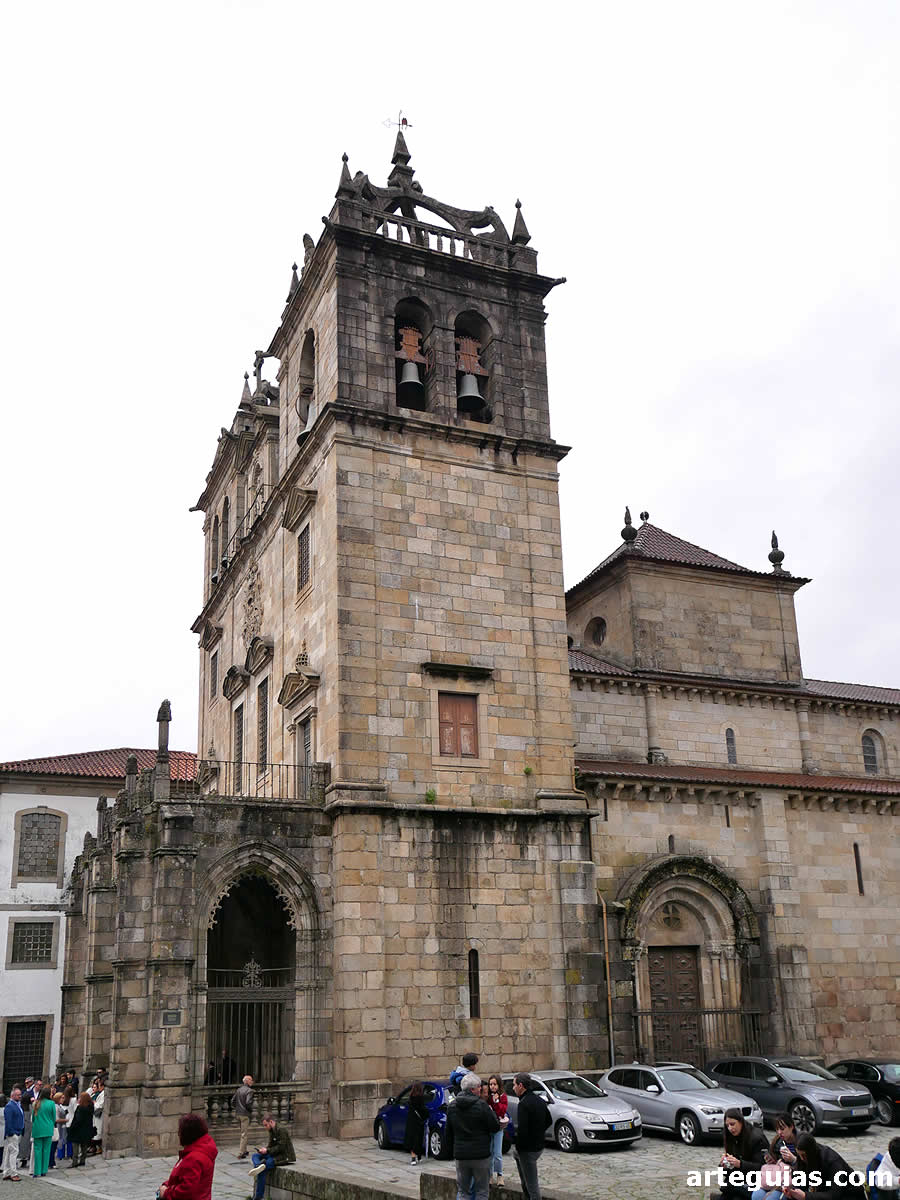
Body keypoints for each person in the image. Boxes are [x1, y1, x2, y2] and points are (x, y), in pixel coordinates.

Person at [447, 1073, 503, 1200]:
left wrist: (452, 1152)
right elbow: (494, 1127)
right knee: (482, 1192)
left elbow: (448, 1133)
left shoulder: (452, 1106)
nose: (481, 1089)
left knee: (463, 1192)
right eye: (479, 1087)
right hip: (480, 1155)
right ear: (472, 1089)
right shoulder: (482, 1105)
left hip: (461, 1155)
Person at [782, 1133, 866, 1200]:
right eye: (799, 1155)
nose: (802, 1158)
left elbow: (834, 1195)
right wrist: (792, 1192)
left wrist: (805, 1196)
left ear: (810, 1152)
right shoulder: (803, 1157)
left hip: (848, 1195)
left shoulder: (832, 1161)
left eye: (803, 1155)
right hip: (822, 1192)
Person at [158, 1114, 218, 1200]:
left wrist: (166, 1193)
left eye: (180, 1131)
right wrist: (166, 1185)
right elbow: (183, 1178)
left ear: (187, 1134)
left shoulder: (194, 1158)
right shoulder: (201, 1150)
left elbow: (186, 1190)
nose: (178, 1134)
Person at [512, 1074, 551, 1200]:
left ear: (521, 1086)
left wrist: (519, 1146)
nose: (513, 1088)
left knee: (532, 1186)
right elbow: (548, 1120)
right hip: (538, 1146)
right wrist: (538, 1133)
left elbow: (523, 1130)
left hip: (528, 1149)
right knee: (526, 1180)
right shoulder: (539, 1100)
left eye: (514, 1085)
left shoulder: (523, 1104)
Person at [718, 1108, 769, 1200]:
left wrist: (740, 1164)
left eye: (732, 1124)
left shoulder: (756, 1138)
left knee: (730, 1190)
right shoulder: (730, 1137)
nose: (730, 1128)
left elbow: (762, 1167)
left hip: (756, 1182)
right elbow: (727, 1172)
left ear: (741, 1121)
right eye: (727, 1125)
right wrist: (724, 1166)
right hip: (738, 1179)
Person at [247, 1113, 296, 1200]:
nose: (265, 1127)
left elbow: (281, 1147)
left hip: (283, 1156)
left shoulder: (281, 1130)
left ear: (271, 1122)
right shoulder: (271, 1130)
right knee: (255, 1155)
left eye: (266, 1125)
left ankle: (258, 1197)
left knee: (263, 1169)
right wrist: (264, 1150)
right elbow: (271, 1145)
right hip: (273, 1153)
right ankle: (258, 1165)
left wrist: (268, 1150)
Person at [487, 1075, 508, 1188]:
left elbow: (502, 1111)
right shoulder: (488, 1097)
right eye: (491, 1084)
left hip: (498, 1127)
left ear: (499, 1085)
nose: (492, 1086)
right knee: (489, 1152)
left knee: (497, 1153)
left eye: (494, 1084)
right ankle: (490, 1175)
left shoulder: (503, 1096)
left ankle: (500, 1175)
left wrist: (496, 1102)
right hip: (489, 1127)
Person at [30, 1087, 56, 1177]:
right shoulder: (51, 1103)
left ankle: (36, 1171)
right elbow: (54, 1118)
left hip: (37, 1129)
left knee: (37, 1151)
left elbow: (33, 1118)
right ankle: (44, 1170)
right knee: (46, 1150)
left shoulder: (36, 1103)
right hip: (48, 1129)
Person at [403, 1082, 429, 1166]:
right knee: (418, 1139)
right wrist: (426, 1116)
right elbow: (423, 1109)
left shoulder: (410, 1098)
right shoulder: (421, 1098)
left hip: (411, 1121)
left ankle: (413, 1158)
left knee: (412, 1139)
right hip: (418, 1121)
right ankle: (419, 1157)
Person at [2, 1086, 24, 1181]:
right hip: (13, 1133)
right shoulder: (10, 1106)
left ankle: (6, 1172)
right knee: (14, 1153)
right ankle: (13, 1173)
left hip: (16, 1132)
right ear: (12, 1095)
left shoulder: (17, 1104)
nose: (20, 1096)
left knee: (8, 1152)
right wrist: (11, 1133)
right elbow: (8, 1121)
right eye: (18, 1095)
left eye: (20, 1094)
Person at [69, 1093, 95, 1168]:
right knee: (84, 1145)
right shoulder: (91, 1107)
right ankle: (82, 1160)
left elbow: (78, 1120)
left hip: (78, 1130)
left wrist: (72, 1127)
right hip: (86, 1129)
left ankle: (75, 1161)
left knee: (76, 1146)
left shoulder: (80, 1108)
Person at [232, 1076, 255, 1160]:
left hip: (238, 1113)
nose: (252, 1081)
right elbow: (248, 1102)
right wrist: (250, 1110)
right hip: (245, 1114)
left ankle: (244, 1150)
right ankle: (241, 1152)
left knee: (243, 1132)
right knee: (244, 1134)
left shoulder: (239, 1090)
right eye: (251, 1080)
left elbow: (232, 1101)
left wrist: (237, 1108)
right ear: (248, 1081)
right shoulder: (249, 1091)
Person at [90, 1078, 106, 1155]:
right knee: (95, 1131)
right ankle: (95, 1147)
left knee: (98, 1131)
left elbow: (100, 1105)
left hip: (99, 1114)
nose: (98, 1087)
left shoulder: (103, 1094)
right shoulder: (100, 1093)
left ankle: (99, 1147)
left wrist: (94, 1102)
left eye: (99, 1086)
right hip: (96, 1114)